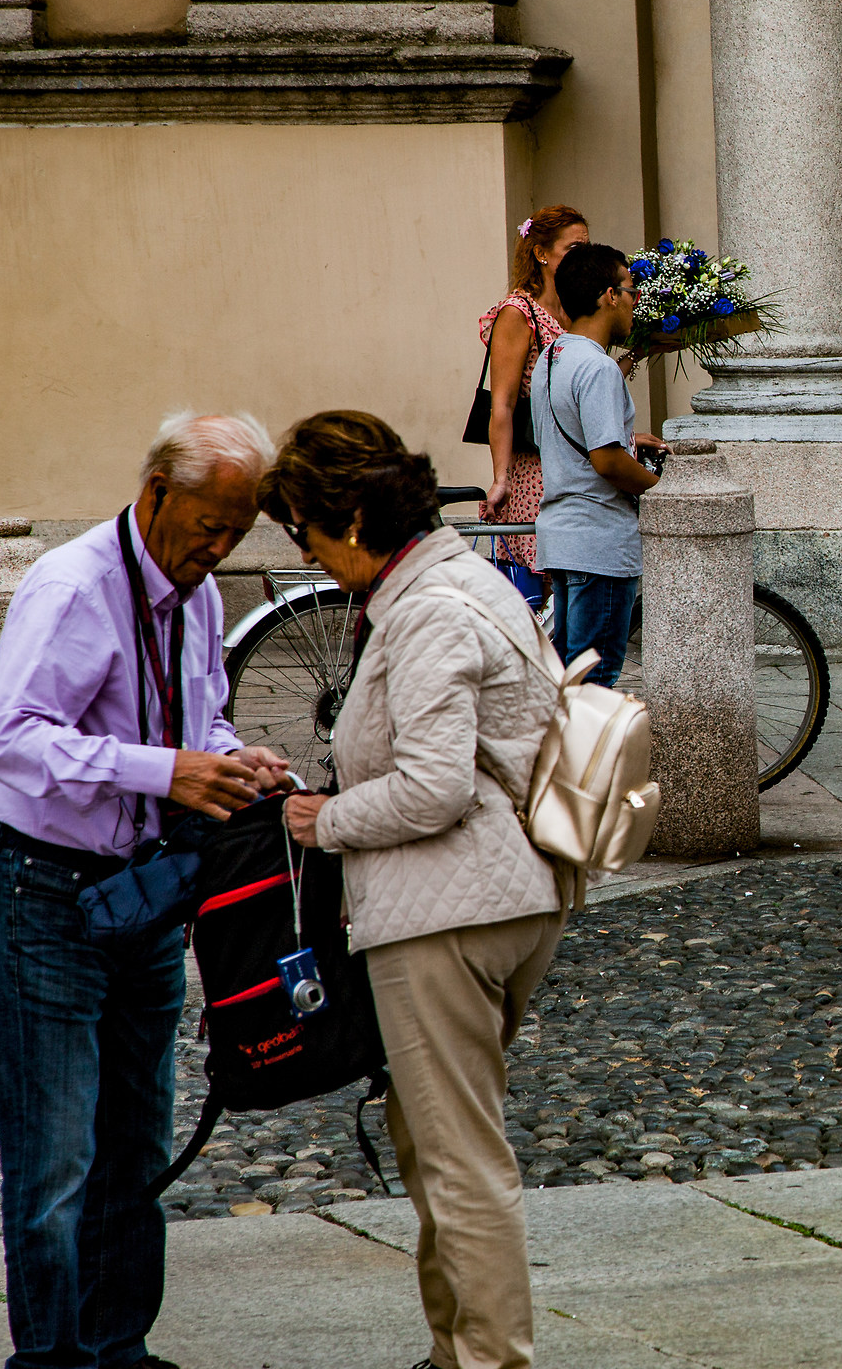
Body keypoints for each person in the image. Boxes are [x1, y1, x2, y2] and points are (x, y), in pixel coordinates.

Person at [264, 411, 564, 1369]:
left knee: (459, 1160)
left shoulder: (430, 607)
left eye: (304, 534)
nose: (308, 555)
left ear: (350, 519)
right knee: (435, 1142)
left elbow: (432, 788)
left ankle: (488, 1360)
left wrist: (325, 821)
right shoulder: (456, 580)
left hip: (451, 911)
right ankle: (455, 1351)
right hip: (492, 897)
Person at [0, 411, 291, 1369]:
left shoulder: (196, 593)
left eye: (240, 529)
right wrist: (163, 771)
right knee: (54, 1159)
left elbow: (198, 715)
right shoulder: (74, 586)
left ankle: (121, 1346)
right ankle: (52, 1361)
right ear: (156, 490)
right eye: (210, 522)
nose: (220, 546)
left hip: (149, 896)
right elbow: (14, 736)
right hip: (48, 891)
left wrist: (231, 761)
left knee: (136, 1139)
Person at [528, 243, 664, 688]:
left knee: (570, 677)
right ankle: (583, 762)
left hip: (563, 535)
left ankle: (564, 759)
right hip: (599, 539)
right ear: (610, 294)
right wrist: (661, 489)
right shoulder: (598, 369)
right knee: (593, 682)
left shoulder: (552, 357)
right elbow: (606, 460)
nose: (636, 300)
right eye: (632, 288)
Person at [477, 206, 588, 612]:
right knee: (539, 598)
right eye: (573, 247)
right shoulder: (519, 313)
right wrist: (500, 478)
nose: (582, 255)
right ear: (541, 253)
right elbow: (502, 403)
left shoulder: (578, 312)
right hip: (536, 467)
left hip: (573, 464)